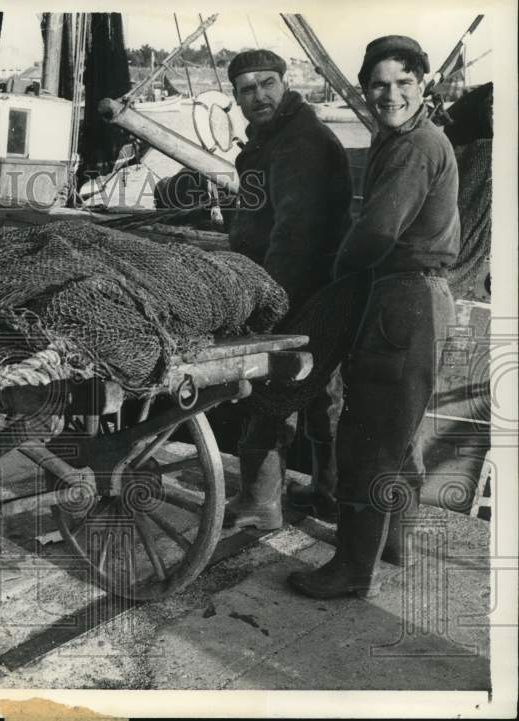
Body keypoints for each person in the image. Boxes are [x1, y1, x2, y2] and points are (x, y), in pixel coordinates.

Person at [289, 36, 459, 598]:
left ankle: (350, 571)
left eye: (402, 84)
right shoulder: (405, 139)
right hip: (418, 298)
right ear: (365, 90)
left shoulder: (414, 147)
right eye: (379, 85)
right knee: (398, 433)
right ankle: (392, 544)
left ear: (422, 85)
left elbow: (378, 233)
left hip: (402, 300)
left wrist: (335, 275)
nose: (390, 95)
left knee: (366, 437)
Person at [221, 49, 353, 530]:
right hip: (320, 288)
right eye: (247, 88)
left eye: (267, 83)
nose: (259, 95)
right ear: (236, 97)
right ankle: (327, 493)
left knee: (270, 391)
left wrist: (270, 308)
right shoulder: (279, 138)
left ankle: (260, 503)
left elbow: (294, 236)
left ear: (286, 83)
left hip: (301, 289)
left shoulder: (298, 143)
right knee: (319, 395)